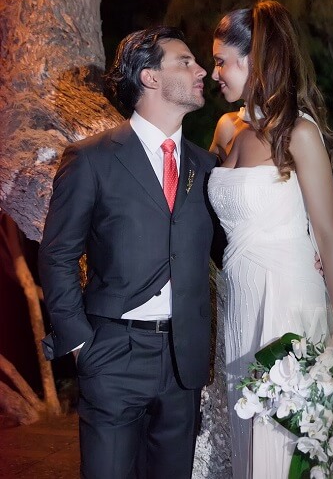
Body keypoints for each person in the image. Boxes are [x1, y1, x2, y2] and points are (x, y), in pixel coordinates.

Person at [40, 27, 215, 477]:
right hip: (112, 353)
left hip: (184, 361)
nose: (201, 71)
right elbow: (58, 257)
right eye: (185, 61)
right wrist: (81, 344)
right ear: (150, 77)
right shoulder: (91, 158)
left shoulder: (205, 165)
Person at [208, 0, 333, 477]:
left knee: (283, 435)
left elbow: (328, 235)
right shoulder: (227, 128)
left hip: (287, 295)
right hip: (240, 298)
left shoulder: (298, 133)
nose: (215, 74)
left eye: (222, 62)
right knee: (246, 429)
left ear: (255, 60)